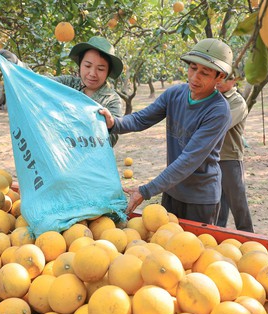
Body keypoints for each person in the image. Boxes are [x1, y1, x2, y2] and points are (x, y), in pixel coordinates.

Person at [99, 38, 233, 225]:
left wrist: (146, 191)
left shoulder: (218, 110)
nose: (195, 77)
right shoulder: (175, 94)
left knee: (195, 250)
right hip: (172, 189)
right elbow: (141, 118)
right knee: (166, 243)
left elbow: (188, 160)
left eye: (204, 73)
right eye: (193, 68)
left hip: (200, 198)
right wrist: (114, 124)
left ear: (219, 77)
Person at [0, 36, 124, 146]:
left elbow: (111, 140)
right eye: (88, 66)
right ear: (80, 65)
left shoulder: (112, 100)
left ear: (107, 72)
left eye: (100, 69)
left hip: (89, 165)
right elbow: (40, 83)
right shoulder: (68, 83)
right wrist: (16, 65)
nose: (92, 73)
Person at [215, 72, 254, 232]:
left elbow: (221, 124)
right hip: (214, 156)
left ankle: (247, 234)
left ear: (235, 80)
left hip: (230, 156)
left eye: (226, 78)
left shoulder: (237, 101)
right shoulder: (214, 97)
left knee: (237, 200)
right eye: (219, 77)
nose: (220, 82)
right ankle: (218, 230)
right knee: (218, 199)